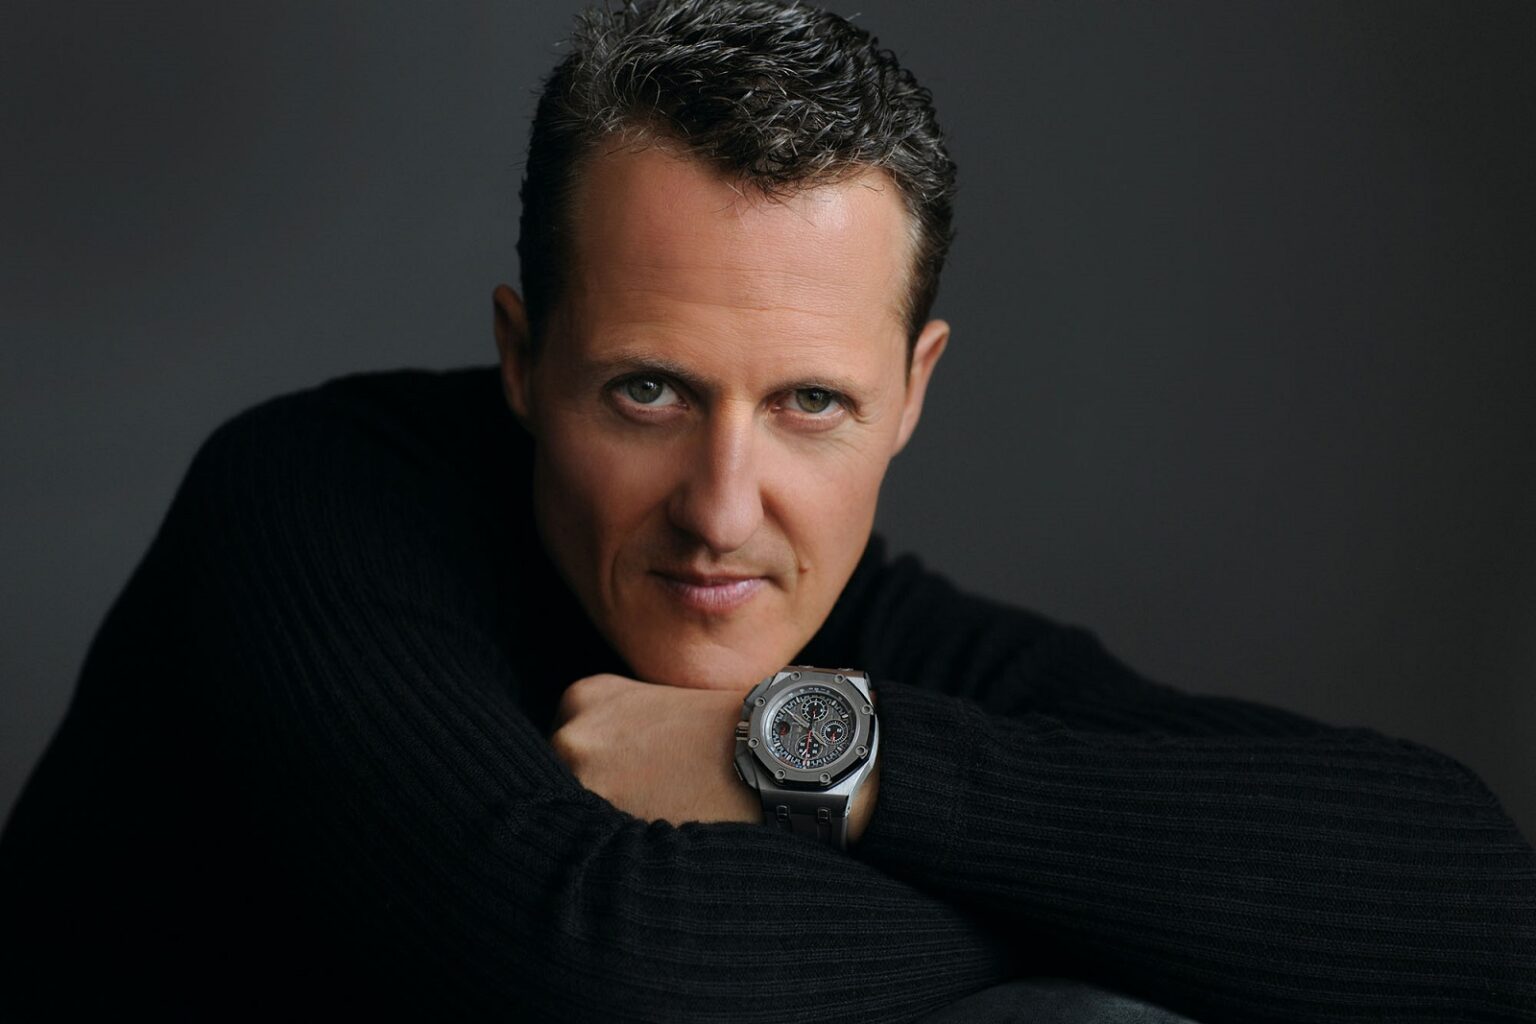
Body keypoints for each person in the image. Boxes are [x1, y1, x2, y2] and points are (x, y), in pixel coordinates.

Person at [2, 1, 1532, 1021]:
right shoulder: (312, 502)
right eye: (648, 392)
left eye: (811, 403)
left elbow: (1480, 909)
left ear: (911, 393)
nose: (723, 512)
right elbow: (609, 971)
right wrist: (1135, 902)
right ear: (524, 360)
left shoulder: (866, 637)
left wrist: (823, 758)